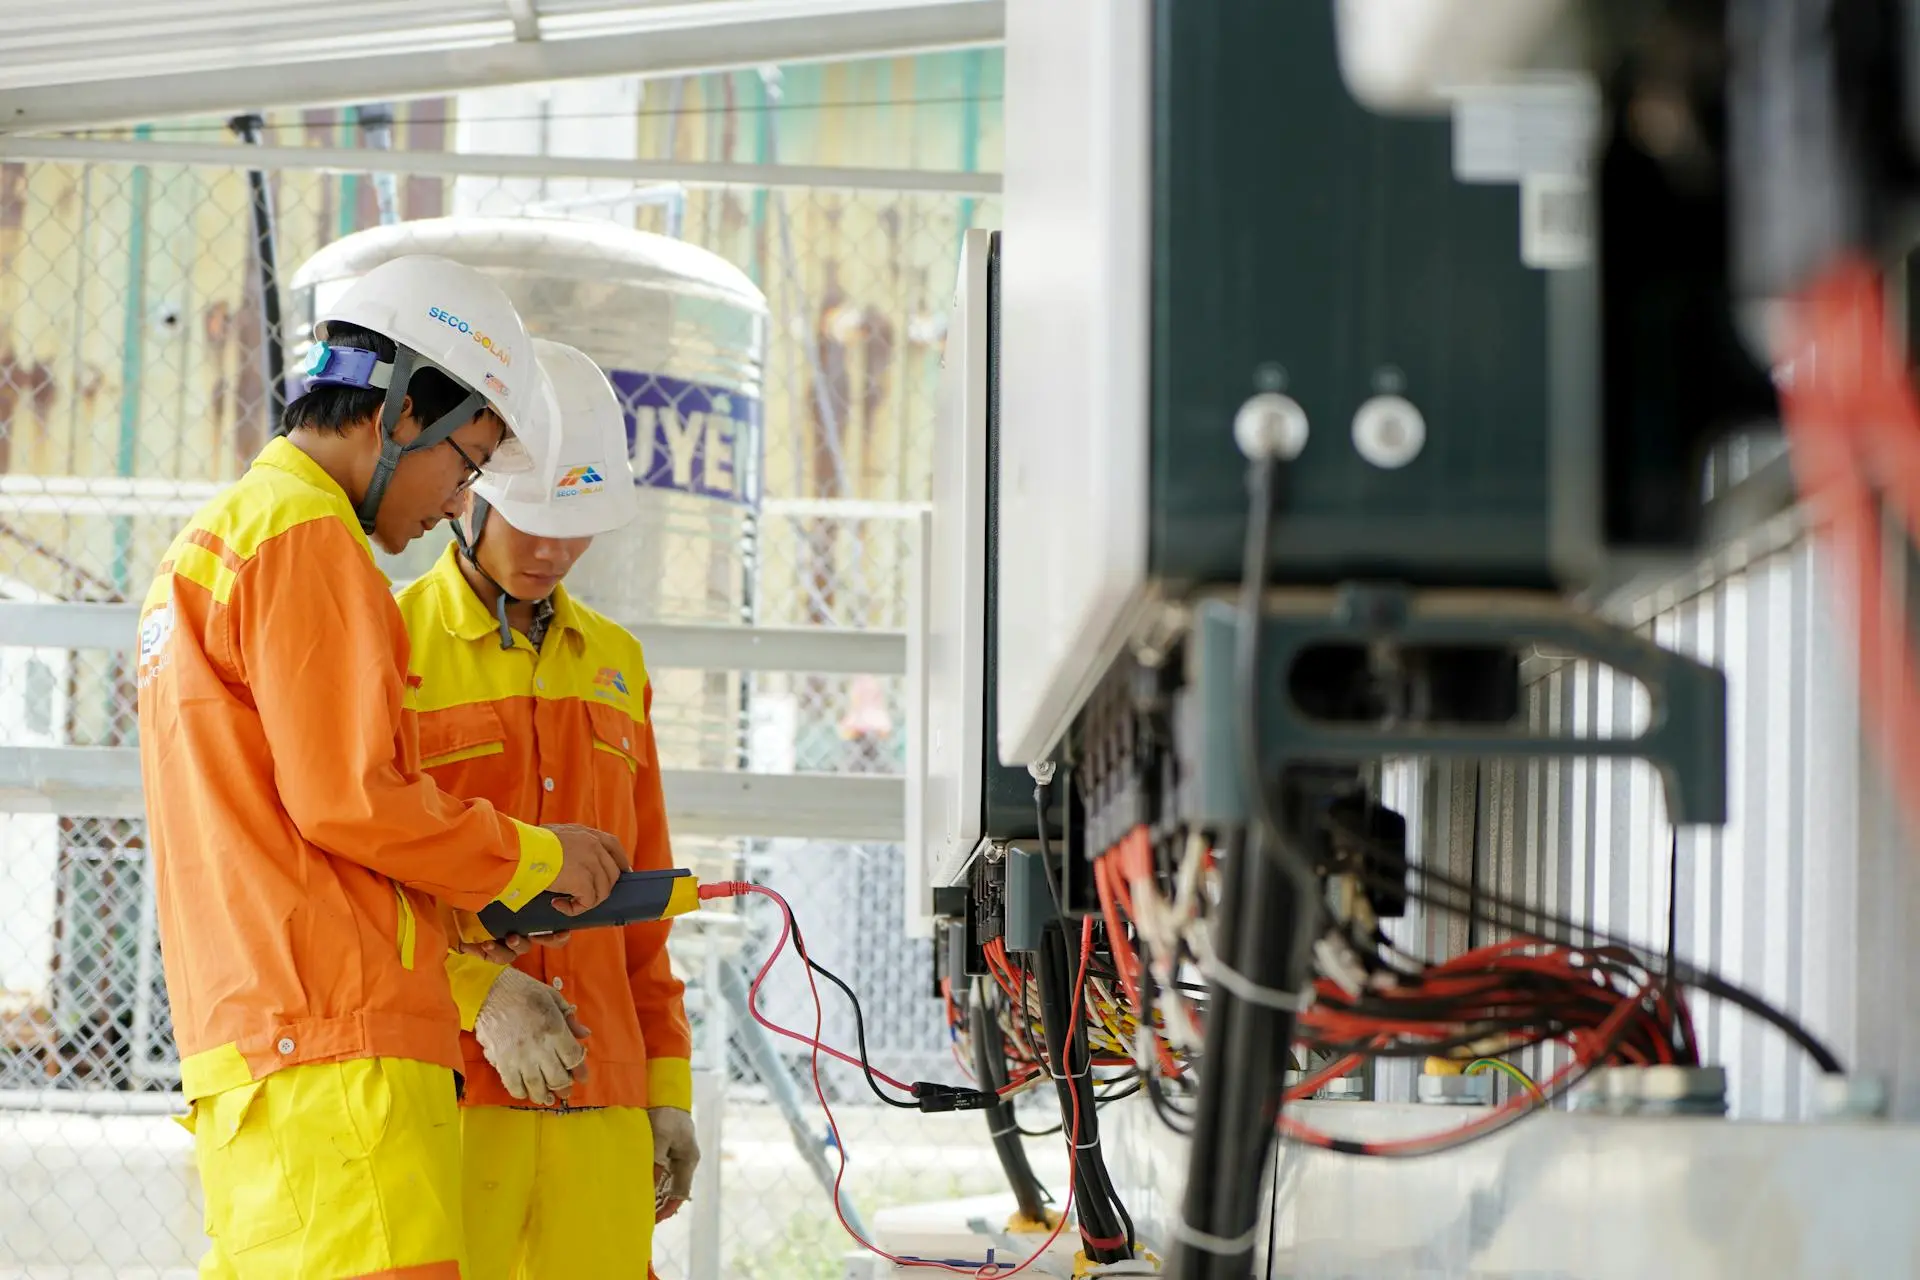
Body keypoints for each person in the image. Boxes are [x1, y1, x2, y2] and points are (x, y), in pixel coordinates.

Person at [135, 256, 632, 1280]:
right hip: (337, 1059)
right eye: (469, 460)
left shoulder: (216, 544)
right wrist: (537, 858)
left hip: (262, 1053)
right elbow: (351, 796)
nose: (459, 498)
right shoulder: (310, 538)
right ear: (402, 410)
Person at [398, 339, 697, 1280]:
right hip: (451, 1094)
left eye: (577, 526)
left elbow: (644, 907)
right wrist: (473, 999)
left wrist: (666, 1086)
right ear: (471, 494)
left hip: (601, 1107)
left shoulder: (617, 665)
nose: (550, 550)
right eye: (530, 520)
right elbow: (362, 887)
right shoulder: (389, 645)